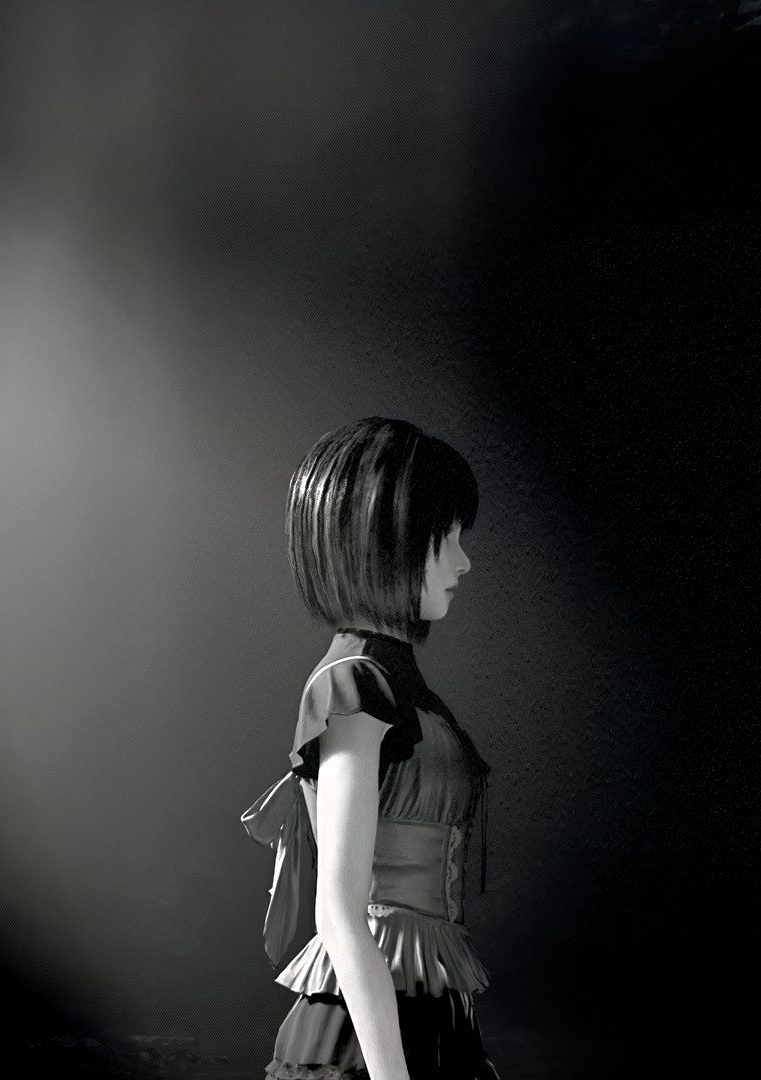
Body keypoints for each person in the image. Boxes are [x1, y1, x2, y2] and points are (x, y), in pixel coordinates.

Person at [241, 418, 500, 1080]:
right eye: (448, 538)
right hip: (367, 1034)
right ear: (390, 542)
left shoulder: (392, 680)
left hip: (425, 1005)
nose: (464, 562)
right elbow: (339, 911)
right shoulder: (353, 682)